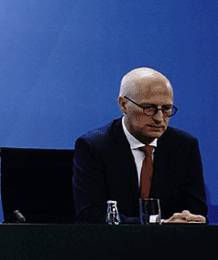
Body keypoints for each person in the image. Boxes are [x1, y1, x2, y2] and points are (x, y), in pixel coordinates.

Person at [72, 67, 207, 223]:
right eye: (149, 108)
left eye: (166, 108)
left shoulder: (185, 146)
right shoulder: (94, 147)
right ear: (123, 104)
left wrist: (192, 220)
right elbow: (90, 216)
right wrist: (161, 225)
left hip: (171, 245)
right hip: (113, 245)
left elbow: (197, 211)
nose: (159, 118)